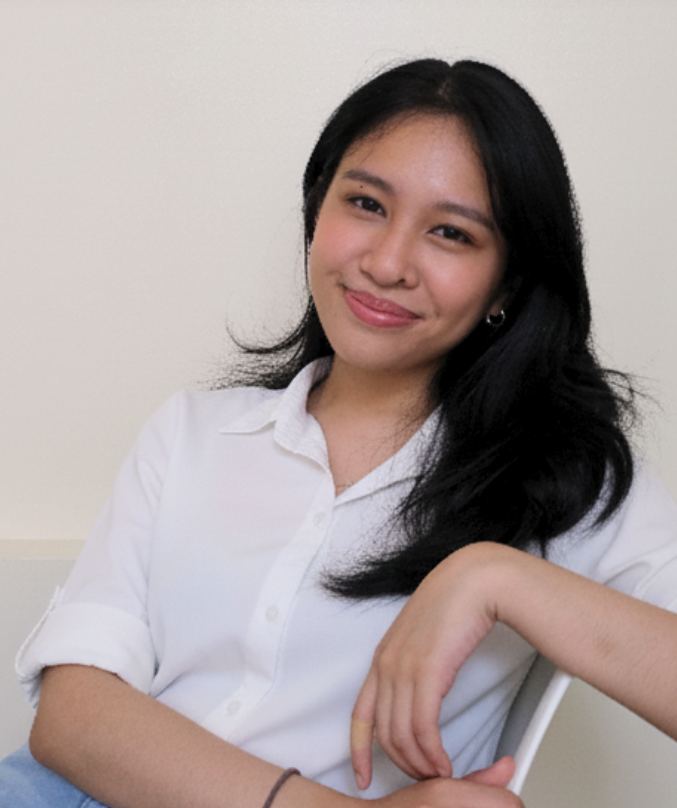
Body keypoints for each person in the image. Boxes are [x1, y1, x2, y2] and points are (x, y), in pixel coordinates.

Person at [1, 57, 676, 808]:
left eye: (450, 233)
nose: (386, 263)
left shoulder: (564, 484)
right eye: (365, 203)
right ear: (315, 211)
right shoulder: (192, 433)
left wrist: (492, 575)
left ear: (506, 286)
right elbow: (69, 720)